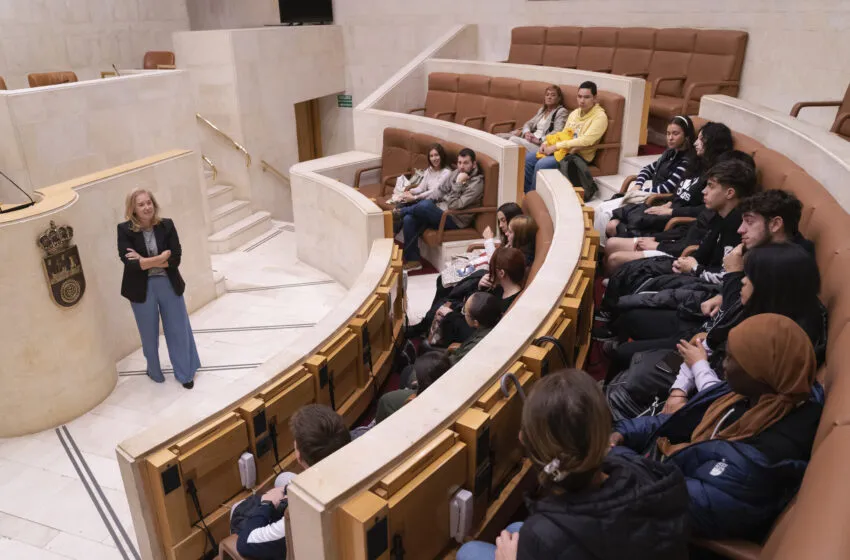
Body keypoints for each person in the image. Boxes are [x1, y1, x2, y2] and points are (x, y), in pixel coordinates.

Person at [611, 314, 823, 541]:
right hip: (661, 472)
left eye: (732, 359)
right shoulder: (758, 394)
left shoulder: (758, 463)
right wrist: (622, 432)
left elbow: (673, 501)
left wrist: (613, 457)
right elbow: (681, 419)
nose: (722, 365)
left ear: (759, 373)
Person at [457, 369, 689, 560]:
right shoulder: (641, 467)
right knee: (516, 530)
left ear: (525, 441)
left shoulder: (542, 532)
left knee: (470, 551)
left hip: (559, 540)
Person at [605, 244, 824, 421]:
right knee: (629, 371)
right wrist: (679, 389)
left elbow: (729, 401)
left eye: (750, 277)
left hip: (705, 401)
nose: (743, 280)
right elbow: (703, 343)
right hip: (692, 376)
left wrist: (697, 366)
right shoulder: (751, 305)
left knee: (617, 395)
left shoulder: (779, 343)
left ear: (771, 286)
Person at [602, 158, 757, 279]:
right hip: (683, 255)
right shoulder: (718, 213)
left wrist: (662, 248)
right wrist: (660, 242)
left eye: (710, 186)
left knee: (616, 258)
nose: (704, 191)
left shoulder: (736, 226)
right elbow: (698, 248)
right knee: (612, 245)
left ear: (730, 193)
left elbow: (719, 270)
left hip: (689, 265)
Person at [235, 404, 351, 560]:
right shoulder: (352, 462)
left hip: (306, 535)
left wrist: (266, 504)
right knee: (283, 478)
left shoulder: (301, 515)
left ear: (299, 457)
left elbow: (245, 544)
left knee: (237, 509)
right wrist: (287, 489)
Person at [117, 188, 200, 389]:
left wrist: (145, 261)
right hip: (140, 288)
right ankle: (153, 370)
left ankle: (185, 372)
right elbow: (131, 264)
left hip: (168, 283)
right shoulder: (124, 229)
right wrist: (160, 258)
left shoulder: (167, 225)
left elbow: (176, 259)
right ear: (133, 209)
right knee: (148, 333)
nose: (147, 207)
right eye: (141, 204)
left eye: (149, 202)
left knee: (178, 329)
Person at [606, 122, 735, 242]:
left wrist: (672, 211)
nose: (696, 143)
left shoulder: (715, 176)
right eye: (668, 133)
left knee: (616, 226)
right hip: (669, 208)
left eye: (701, 140)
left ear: (713, 143)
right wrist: (669, 203)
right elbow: (679, 191)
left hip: (677, 220)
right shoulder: (695, 164)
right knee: (616, 217)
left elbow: (704, 208)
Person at [595, 115, 697, 244]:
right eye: (668, 133)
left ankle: (601, 248)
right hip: (647, 194)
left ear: (686, 135)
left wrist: (643, 191)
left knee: (606, 214)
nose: (670, 138)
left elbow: (668, 187)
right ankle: (596, 248)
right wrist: (638, 184)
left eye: (675, 134)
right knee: (599, 208)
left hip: (657, 200)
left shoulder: (687, 160)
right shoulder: (670, 153)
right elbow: (647, 169)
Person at [398, 148, 485, 271]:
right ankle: (413, 261)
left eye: (466, 163)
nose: (461, 166)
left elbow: (455, 205)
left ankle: (400, 212)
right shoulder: (456, 172)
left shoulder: (477, 183)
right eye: (459, 162)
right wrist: (432, 199)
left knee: (425, 206)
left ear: (474, 164)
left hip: (455, 219)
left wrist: (459, 183)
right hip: (442, 210)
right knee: (409, 219)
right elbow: (441, 190)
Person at [523, 81, 609, 193]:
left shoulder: (600, 117)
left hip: (578, 155)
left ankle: (535, 199)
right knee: (529, 158)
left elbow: (586, 141)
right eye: (579, 97)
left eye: (587, 97)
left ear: (595, 98)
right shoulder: (575, 113)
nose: (582, 101)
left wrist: (555, 147)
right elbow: (562, 134)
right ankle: (527, 194)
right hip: (564, 150)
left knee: (542, 163)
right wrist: (546, 143)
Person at [375, 351, 452, 422]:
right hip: (434, 388)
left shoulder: (413, 399)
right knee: (407, 371)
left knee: (385, 401)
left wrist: (420, 386)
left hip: (426, 399)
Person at [498, 85, 568, 152]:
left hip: (541, 145)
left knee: (513, 140)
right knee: (499, 137)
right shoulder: (542, 110)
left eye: (553, 95)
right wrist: (527, 132)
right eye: (547, 95)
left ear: (559, 99)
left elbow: (558, 131)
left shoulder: (561, 111)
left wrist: (540, 139)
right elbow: (529, 123)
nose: (549, 97)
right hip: (530, 140)